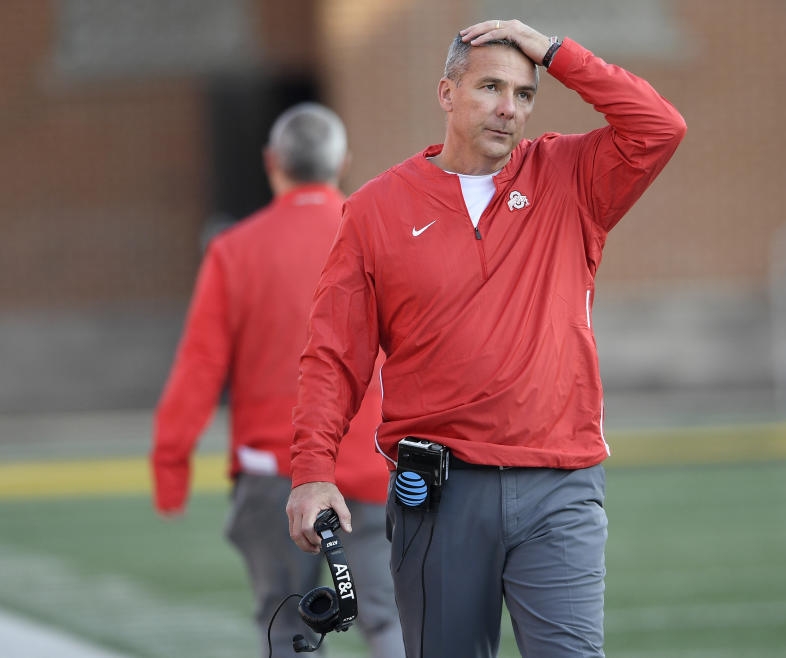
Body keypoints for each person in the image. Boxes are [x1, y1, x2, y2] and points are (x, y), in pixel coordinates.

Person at [286, 19, 685, 658]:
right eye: (490, 87)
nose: (508, 108)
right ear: (447, 94)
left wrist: (555, 51)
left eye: (524, 94)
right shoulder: (373, 210)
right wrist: (312, 472)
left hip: (561, 484)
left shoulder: (570, 177)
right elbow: (334, 355)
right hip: (439, 492)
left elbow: (659, 127)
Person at [151, 103, 404, 658]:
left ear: (272, 162)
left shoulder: (234, 250)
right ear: (343, 163)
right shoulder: (383, 237)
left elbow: (200, 366)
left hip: (273, 471)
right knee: (389, 619)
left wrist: (171, 463)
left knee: (287, 625)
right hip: (372, 463)